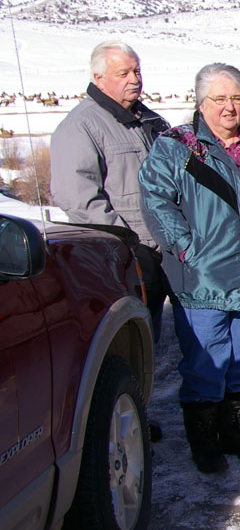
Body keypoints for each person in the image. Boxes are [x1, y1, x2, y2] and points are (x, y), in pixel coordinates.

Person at [139, 63, 240, 473]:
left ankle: (232, 432)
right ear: (200, 102)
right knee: (206, 362)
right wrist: (185, 246)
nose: (229, 107)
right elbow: (155, 198)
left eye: (236, 98)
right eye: (219, 99)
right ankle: (203, 441)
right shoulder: (176, 147)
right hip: (202, 277)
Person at [50, 40, 173, 441]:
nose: (134, 79)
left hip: (166, 246)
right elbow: (77, 196)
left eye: (137, 71)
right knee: (128, 342)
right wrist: (125, 244)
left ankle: (142, 409)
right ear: (98, 78)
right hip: (126, 253)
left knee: (151, 337)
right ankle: (126, 422)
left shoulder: (146, 121)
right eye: (124, 73)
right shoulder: (80, 126)